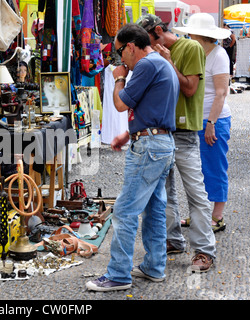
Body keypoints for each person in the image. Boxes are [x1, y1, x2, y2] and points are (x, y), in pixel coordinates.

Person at [86, 23, 179, 291]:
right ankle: (154, 267)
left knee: (125, 211)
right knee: (154, 209)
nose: (119, 60)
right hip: (161, 143)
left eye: (119, 53)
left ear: (130, 46)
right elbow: (153, 110)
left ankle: (118, 274)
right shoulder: (159, 63)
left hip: (151, 147)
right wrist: (128, 135)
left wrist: (118, 77)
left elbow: (120, 103)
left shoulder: (147, 65)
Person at [137, 14, 216, 272]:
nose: (144, 45)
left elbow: (190, 89)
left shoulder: (189, 47)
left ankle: (204, 250)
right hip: (162, 133)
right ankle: (173, 240)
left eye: (146, 39)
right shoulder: (155, 54)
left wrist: (168, 62)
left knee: (195, 193)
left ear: (159, 31)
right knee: (164, 195)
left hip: (184, 134)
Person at [172, 13, 232, 233]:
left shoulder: (219, 55)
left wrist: (211, 123)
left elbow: (221, 93)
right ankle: (199, 213)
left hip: (213, 119)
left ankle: (217, 216)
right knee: (196, 170)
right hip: (196, 119)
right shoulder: (194, 51)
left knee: (215, 166)